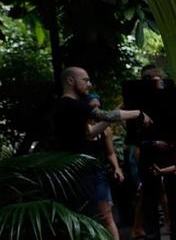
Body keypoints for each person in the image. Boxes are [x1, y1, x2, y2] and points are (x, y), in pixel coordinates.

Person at [52, 66, 152, 222]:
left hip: (87, 168)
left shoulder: (73, 106)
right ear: (70, 80)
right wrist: (138, 113)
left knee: (99, 215)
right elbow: (104, 115)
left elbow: (91, 132)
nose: (89, 84)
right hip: (76, 170)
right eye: (85, 80)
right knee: (88, 217)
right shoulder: (68, 104)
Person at [136, 66, 176, 240]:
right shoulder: (137, 99)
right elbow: (134, 133)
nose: (159, 81)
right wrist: (154, 143)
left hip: (170, 151)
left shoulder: (171, 96)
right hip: (149, 153)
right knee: (150, 196)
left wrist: (174, 140)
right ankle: (152, 238)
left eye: (160, 78)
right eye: (155, 78)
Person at [87, 94, 125, 240]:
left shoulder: (105, 129)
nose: (96, 109)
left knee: (106, 214)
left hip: (100, 173)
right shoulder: (82, 127)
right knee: (93, 215)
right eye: (92, 106)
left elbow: (110, 152)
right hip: (84, 175)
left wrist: (117, 168)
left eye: (98, 106)